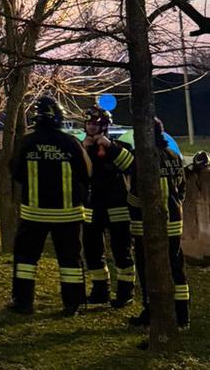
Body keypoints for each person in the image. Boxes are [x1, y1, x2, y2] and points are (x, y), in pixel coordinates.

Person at [8, 95, 92, 316]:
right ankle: (73, 304)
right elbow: (86, 172)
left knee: (26, 259)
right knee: (70, 260)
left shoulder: (26, 142)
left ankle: (23, 302)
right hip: (68, 215)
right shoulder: (71, 143)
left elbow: (15, 171)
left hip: (34, 214)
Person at [121, 118, 189, 328]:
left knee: (147, 269)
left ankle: (151, 311)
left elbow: (136, 196)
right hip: (174, 221)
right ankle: (182, 315)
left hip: (147, 225)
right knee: (176, 267)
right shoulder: (173, 155)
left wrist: (129, 205)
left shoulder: (142, 158)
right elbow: (182, 187)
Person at [81, 106, 136, 308]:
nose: (90, 127)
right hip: (92, 208)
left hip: (117, 208)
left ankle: (125, 293)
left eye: (94, 124)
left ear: (104, 126)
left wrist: (110, 147)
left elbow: (130, 166)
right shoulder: (83, 148)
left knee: (122, 252)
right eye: (88, 123)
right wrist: (84, 150)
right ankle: (100, 292)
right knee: (92, 251)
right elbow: (78, 172)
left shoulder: (120, 146)